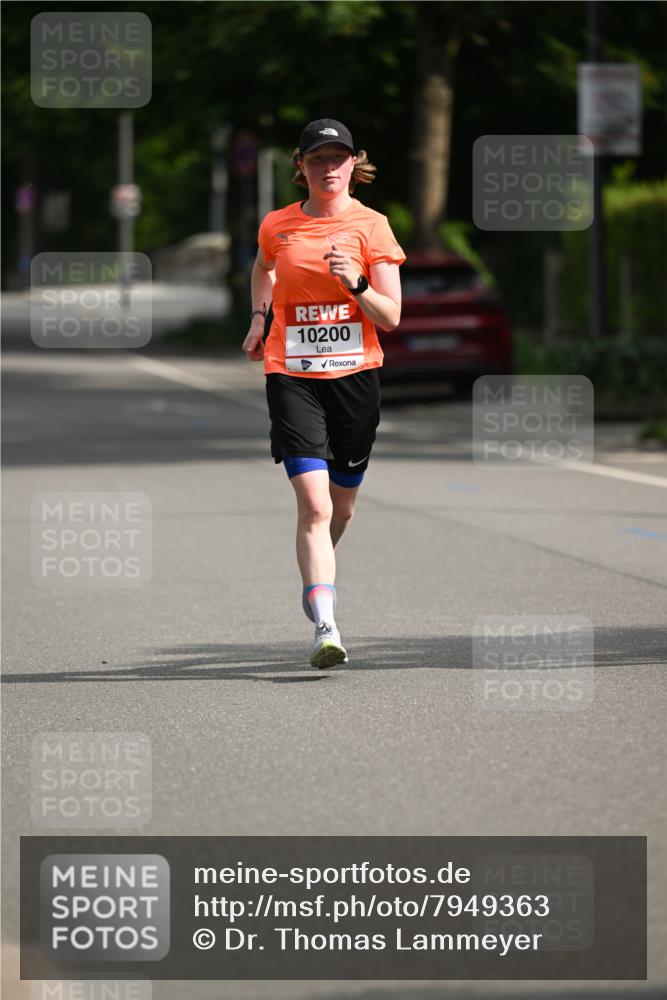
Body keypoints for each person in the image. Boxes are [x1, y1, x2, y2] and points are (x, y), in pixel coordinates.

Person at [242, 118, 405, 669]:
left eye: (338, 159)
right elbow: (262, 269)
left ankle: (318, 575)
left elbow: (391, 316)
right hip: (291, 374)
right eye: (317, 159)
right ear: (301, 166)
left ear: (353, 165)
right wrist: (259, 318)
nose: (328, 168)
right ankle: (326, 624)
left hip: (355, 377)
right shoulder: (278, 225)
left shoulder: (373, 226)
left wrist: (355, 283)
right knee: (314, 505)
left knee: (341, 509)